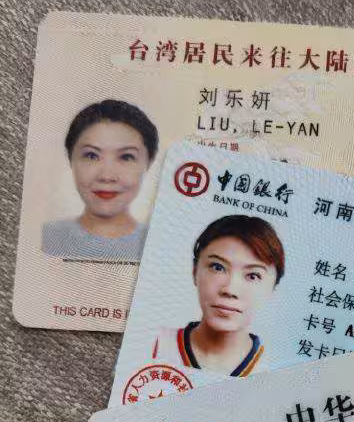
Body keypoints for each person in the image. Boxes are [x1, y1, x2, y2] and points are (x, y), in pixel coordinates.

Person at [152, 215, 284, 376]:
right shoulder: (151, 343)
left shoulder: (278, 372)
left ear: (273, 288)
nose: (230, 290)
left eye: (252, 276)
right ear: (195, 271)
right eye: (217, 267)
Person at [42, 99, 158, 261]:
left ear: (148, 163)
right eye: (91, 155)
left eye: (126, 157)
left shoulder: (160, 246)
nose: (106, 176)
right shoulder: (43, 238)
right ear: (71, 159)